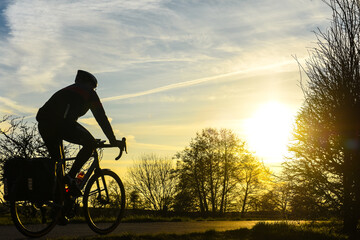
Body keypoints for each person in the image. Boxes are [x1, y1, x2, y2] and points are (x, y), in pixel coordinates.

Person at [36, 70, 120, 197]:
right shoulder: (89, 92)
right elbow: (101, 117)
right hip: (62, 124)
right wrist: (112, 140)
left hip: (44, 125)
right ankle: (70, 178)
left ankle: (59, 205)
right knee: (90, 143)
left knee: (59, 163)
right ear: (90, 84)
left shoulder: (67, 89)